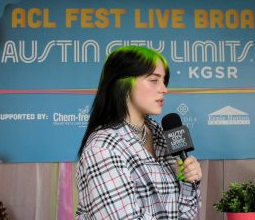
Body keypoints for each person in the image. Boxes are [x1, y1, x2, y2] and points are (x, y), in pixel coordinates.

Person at [76, 45, 202, 220]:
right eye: (153, 80)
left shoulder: (160, 133)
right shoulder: (103, 147)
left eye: (164, 81)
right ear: (123, 84)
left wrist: (188, 181)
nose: (164, 89)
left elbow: (186, 213)